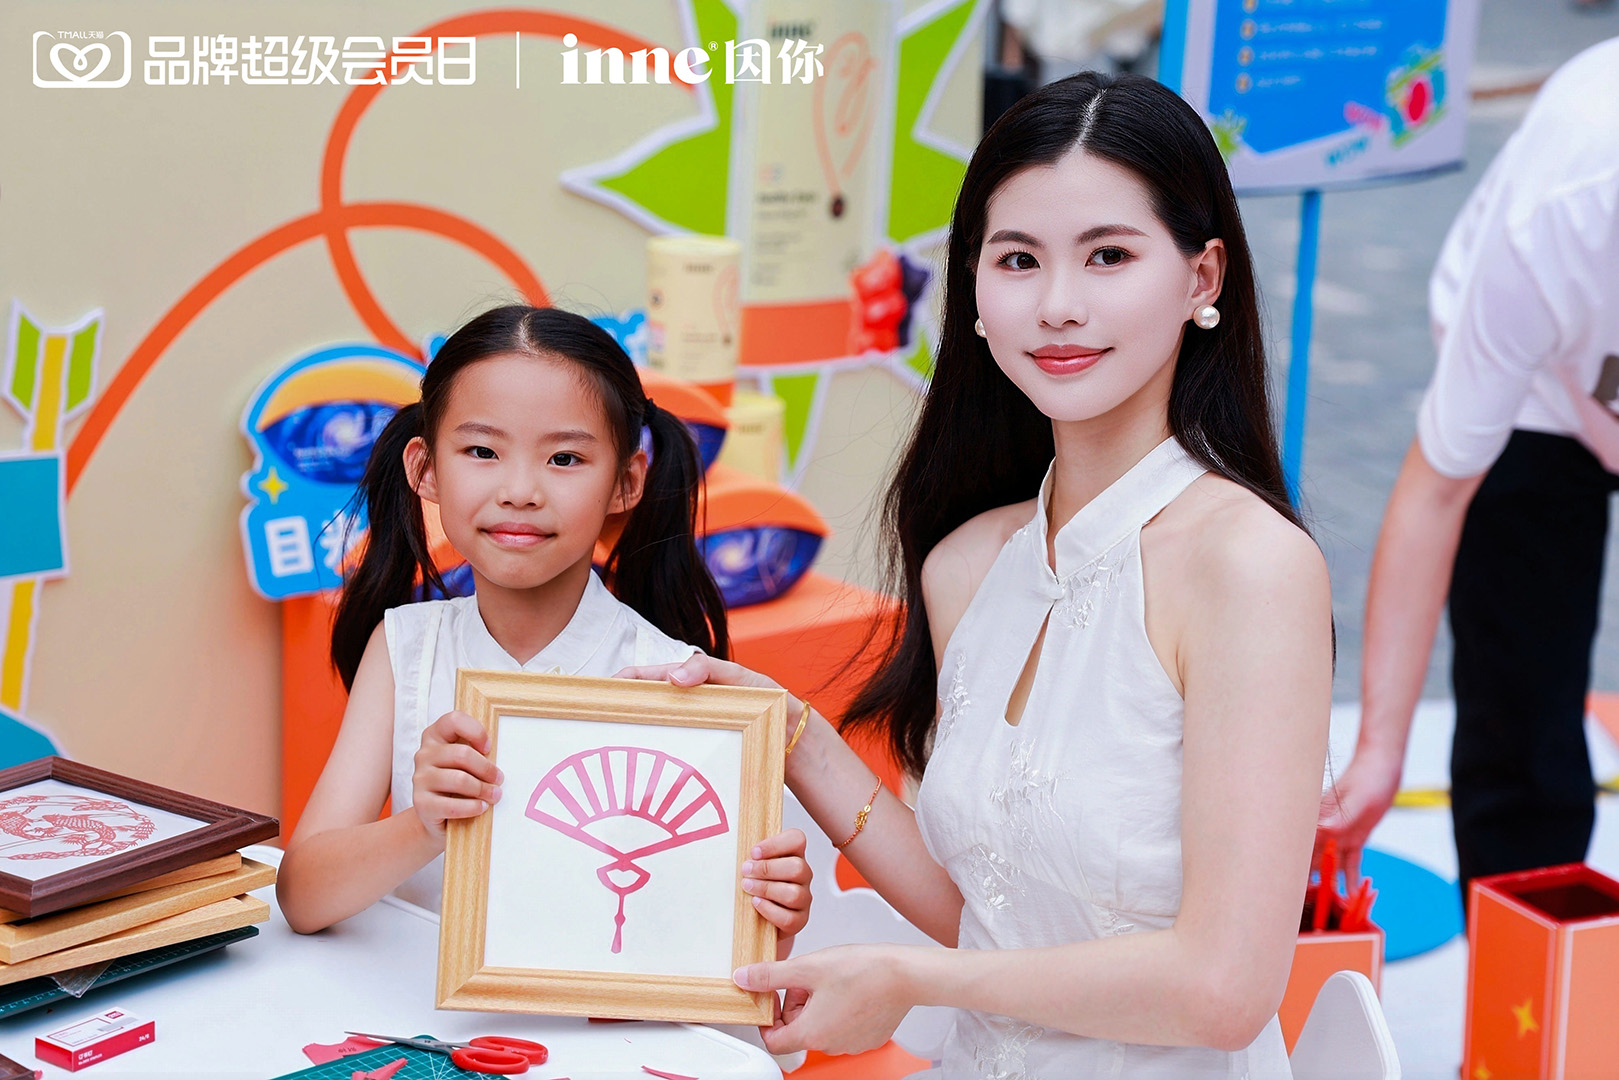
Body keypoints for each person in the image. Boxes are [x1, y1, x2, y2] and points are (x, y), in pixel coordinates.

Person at [619, 72, 1333, 1076]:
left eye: (1108, 255)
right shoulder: (967, 563)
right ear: (975, 293)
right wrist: (795, 737)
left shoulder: (1249, 567)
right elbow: (989, 913)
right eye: (1017, 260)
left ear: (1200, 278)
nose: (1057, 306)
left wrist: (914, 981)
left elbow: (1222, 990)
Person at [277, 305, 811, 951]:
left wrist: (768, 922)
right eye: (481, 451)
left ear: (626, 482)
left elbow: (699, 943)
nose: (520, 490)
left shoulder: (675, 678)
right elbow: (302, 898)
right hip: (411, 1004)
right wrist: (422, 824)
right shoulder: (406, 648)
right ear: (425, 470)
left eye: (564, 458)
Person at [1319, 37, 1619, 904]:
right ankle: (1518, 956)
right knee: (1521, 715)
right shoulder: (1558, 212)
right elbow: (1435, 490)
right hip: (1543, 395)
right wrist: (1379, 754)